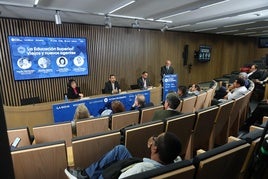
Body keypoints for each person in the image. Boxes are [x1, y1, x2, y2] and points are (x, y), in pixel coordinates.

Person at [64, 132, 182, 179]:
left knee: (110, 168)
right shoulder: (177, 160)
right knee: (120, 150)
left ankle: (85, 176)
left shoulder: (140, 169)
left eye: (156, 138)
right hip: (146, 164)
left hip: (125, 173)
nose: (153, 138)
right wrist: (155, 142)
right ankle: (87, 173)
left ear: (155, 148)